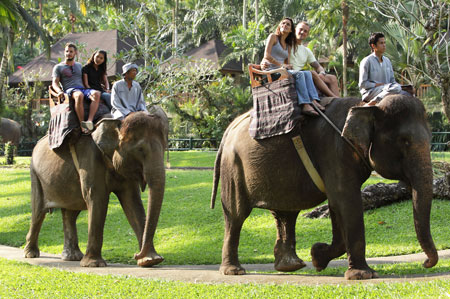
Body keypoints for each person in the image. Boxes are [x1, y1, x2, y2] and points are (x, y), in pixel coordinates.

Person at [260, 17, 323, 116]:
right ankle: (305, 104)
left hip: (282, 71)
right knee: (299, 74)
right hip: (271, 71)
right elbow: (266, 55)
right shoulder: (273, 37)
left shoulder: (288, 45)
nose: (285, 25)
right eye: (283, 23)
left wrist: (288, 66)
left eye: (288, 24)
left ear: (290, 30)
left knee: (306, 73)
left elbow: (287, 62)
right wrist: (281, 65)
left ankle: (314, 100)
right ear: (279, 26)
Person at [52, 43, 101, 134]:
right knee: (79, 95)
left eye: (71, 51)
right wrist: (59, 91)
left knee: (97, 93)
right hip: (70, 90)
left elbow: (86, 80)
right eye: (67, 51)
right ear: (64, 52)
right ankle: (82, 126)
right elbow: (54, 83)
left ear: (75, 53)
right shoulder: (58, 67)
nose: (69, 53)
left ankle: (89, 121)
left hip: (82, 88)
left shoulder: (79, 65)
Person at [359, 32, 410, 106]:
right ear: (373, 46)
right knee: (396, 88)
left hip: (387, 89)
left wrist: (403, 87)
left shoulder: (387, 61)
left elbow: (392, 81)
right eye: (381, 43)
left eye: (384, 43)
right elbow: (362, 84)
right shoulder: (366, 61)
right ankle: (374, 102)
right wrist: (376, 84)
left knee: (407, 92)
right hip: (371, 92)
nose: (384, 45)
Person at [291, 21, 340, 98]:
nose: (302, 32)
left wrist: (321, 73)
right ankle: (333, 97)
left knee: (332, 78)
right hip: (293, 74)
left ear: (307, 34)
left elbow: (318, 66)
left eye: (305, 31)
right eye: (300, 29)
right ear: (295, 30)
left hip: (304, 76)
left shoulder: (306, 50)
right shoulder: (287, 45)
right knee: (312, 73)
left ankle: (339, 102)